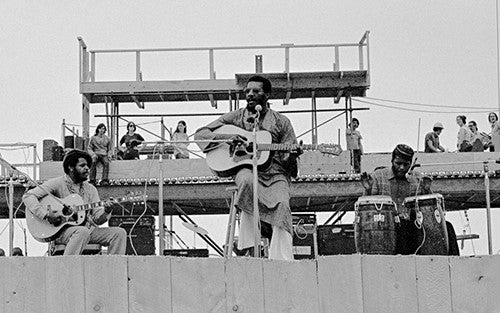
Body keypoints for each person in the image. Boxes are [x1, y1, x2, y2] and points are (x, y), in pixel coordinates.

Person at [194, 75, 301, 260]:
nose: (250, 95)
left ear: (267, 95)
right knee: (245, 180)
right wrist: (227, 138)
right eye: (248, 91)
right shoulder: (236, 116)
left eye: (256, 91)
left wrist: (292, 155)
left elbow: (290, 166)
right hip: (247, 169)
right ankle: (250, 247)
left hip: (275, 174)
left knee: (283, 204)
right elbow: (200, 134)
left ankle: (281, 259)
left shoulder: (282, 121)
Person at [22, 149, 126, 255]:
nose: (87, 169)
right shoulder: (57, 183)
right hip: (61, 232)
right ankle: (68, 267)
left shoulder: (91, 189)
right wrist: (45, 214)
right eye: (82, 166)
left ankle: (114, 269)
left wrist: (106, 211)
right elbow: (28, 196)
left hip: (88, 229)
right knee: (82, 232)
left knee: (119, 233)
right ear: (71, 167)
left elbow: (97, 219)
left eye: (88, 166)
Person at [361, 144, 459, 255]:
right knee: (402, 230)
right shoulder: (378, 176)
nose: (402, 168)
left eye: (406, 164)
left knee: (448, 227)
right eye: (398, 163)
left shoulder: (416, 178)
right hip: (386, 226)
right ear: (392, 161)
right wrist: (368, 190)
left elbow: (430, 208)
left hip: (412, 227)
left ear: (410, 164)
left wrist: (426, 190)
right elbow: (367, 207)